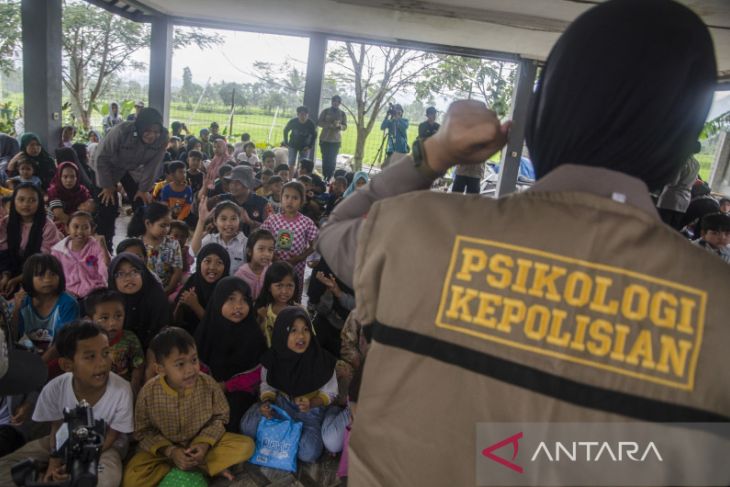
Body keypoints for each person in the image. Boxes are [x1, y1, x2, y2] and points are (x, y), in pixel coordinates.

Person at [317, 1, 726, 486]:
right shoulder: (717, 308)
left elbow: (336, 231)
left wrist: (436, 152)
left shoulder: (418, 230)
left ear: (545, 114)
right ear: (682, 141)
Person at [0, 321, 134, 487]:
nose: (102, 363)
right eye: (90, 356)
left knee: (107, 481)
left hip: (105, 447)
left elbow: (111, 436)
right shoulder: (55, 388)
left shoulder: (122, 390)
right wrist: (55, 460)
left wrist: (77, 461)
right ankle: (50, 475)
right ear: (66, 365)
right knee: (4, 468)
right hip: (64, 441)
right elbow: (56, 428)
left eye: (105, 353)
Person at [122, 327, 254, 486]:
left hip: (202, 446)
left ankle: (196, 463)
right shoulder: (148, 392)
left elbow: (220, 416)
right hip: (164, 452)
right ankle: (198, 466)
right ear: (160, 369)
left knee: (246, 446)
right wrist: (170, 452)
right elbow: (142, 431)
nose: (190, 369)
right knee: (132, 478)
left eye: (194, 360)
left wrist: (203, 444)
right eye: (180, 364)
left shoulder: (208, 384)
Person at [240, 307, 337, 464]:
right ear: (281, 333)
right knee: (248, 426)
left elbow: (331, 392)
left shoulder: (322, 360)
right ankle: (288, 435)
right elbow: (267, 384)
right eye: (293, 330)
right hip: (281, 404)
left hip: (310, 412)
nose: (301, 336)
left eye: (306, 329)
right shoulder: (273, 358)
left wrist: (311, 403)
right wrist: (267, 403)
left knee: (308, 452)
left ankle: (285, 435)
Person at [195, 277, 268, 429]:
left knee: (232, 416)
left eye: (244, 300)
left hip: (239, 391)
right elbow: (196, 365)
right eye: (231, 299)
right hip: (206, 387)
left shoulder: (253, 335)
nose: (238, 306)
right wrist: (210, 385)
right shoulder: (206, 332)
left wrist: (226, 386)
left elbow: (257, 372)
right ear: (218, 301)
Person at [95, 107, 169, 250]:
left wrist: (143, 189)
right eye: (148, 131)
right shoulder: (122, 131)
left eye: (156, 132)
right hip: (105, 167)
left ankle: (139, 241)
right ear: (140, 127)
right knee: (108, 205)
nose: (151, 136)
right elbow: (101, 157)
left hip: (129, 168)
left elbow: (153, 165)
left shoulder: (163, 138)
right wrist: (107, 185)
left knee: (141, 202)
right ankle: (106, 245)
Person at [11, 254, 79, 361]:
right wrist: (16, 310)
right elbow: (14, 337)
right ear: (29, 278)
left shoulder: (68, 303)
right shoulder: (22, 302)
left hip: (58, 359)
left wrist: (40, 365)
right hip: (25, 357)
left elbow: (64, 341)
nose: (47, 280)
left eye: (52, 274)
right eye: (41, 275)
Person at [0, 184, 62, 295]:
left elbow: (45, 260)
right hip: (9, 268)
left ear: (40, 203)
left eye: (32, 200)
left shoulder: (47, 226)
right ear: (14, 201)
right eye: (21, 199)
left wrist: (18, 279)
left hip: (38, 270)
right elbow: (3, 252)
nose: (26, 204)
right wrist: (6, 275)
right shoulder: (6, 222)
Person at [261, 181, 318, 300]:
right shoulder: (272, 220)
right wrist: (272, 256)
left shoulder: (306, 222)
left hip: (296, 267)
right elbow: (261, 239)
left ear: (302, 201)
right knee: (272, 290)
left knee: (292, 293)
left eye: (295, 198)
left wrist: (300, 258)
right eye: (286, 196)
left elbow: (315, 244)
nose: (290, 201)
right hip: (273, 264)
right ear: (281, 198)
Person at [85, 288, 145, 396]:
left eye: (118, 316)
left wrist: (134, 386)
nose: (113, 323)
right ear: (90, 320)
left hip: (123, 391)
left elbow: (138, 364)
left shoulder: (129, 338)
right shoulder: (86, 343)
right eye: (104, 318)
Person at [108, 252, 170, 348]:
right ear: (112, 279)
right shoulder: (109, 303)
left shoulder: (157, 297)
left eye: (134, 271)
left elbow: (162, 332)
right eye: (120, 274)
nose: (128, 278)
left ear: (143, 273)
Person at [128, 202, 183, 296]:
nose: (166, 229)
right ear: (148, 223)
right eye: (162, 225)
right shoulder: (136, 245)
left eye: (169, 225)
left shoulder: (173, 243)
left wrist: (166, 291)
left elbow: (177, 271)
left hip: (165, 290)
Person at [174, 242, 230, 334]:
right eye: (207, 261)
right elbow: (175, 320)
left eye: (219, 262)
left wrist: (195, 305)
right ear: (199, 263)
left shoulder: (227, 290)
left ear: (226, 266)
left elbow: (218, 328)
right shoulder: (192, 282)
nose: (212, 267)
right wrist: (180, 305)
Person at [51, 211, 108, 298]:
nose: (80, 231)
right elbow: (55, 276)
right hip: (67, 293)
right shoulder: (58, 251)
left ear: (92, 230)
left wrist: (104, 247)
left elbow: (106, 269)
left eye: (85, 227)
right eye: (76, 227)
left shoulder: (96, 247)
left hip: (95, 292)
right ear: (67, 229)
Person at [209, 165, 272, 234]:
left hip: (252, 243)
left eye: (237, 183)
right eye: (231, 182)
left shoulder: (264, 204)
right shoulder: (220, 199)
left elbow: (272, 228)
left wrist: (250, 222)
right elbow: (199, 210)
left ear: (248, 185)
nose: (233, 186)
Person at [191, 200, 247, 275]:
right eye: (223, 219)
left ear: (239, 220)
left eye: (233, 219)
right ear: (215, 221)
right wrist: (201, 221)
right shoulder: (210, 239)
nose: (228, 223)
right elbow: (194, 252)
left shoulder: (245, 243)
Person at [254, 261, 298, 348]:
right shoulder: (264, 310)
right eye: (279, 285)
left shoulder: (298, 311)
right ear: (269, 287)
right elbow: (257, 335)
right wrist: (263, 319)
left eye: (289, 285)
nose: (284, 291)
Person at [657, 155, 701, 230]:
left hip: (671, 197)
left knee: (662, 226)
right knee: (674, 227)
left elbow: (673, 182)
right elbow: (694, 180)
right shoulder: (697, 163)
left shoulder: (681, 161)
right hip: (685, 199)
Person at [47, 161, 93, 229]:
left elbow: (90, 207)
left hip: (79, 223)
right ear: (59, 177)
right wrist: (77, 227)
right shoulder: (54, 192)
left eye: (72, 177)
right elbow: (59, 214)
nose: (69, 180)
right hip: (60, 224)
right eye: (65, 177)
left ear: (77, 177)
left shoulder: (82, 191)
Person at [235, 228, 275, 300]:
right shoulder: (241, 274)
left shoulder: (272, 270)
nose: (267, 254)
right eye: (261, 249)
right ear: (249, 251)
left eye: (270, 250)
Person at [318, 95, 348, 181]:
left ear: (339, 103)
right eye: (334, 101)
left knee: (332, 159)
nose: (335, 103)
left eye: (337, 101)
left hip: (336, 141)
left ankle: (330, 176)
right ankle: (324, 176)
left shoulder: (342, 114)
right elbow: (319, 122)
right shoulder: (326, 111)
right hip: (324, 139)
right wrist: (329, 125)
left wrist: (340, 127)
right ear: (332, 102)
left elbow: (345, 126)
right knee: (325, 158)